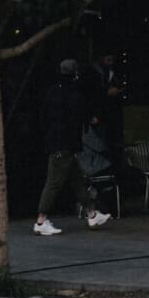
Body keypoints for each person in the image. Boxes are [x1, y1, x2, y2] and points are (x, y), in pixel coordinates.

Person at [35, 59, 112, 235]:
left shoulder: (52, 91)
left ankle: (92, 214)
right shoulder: (73, 94)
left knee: (76, 179)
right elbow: (77, 117)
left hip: (56, 142)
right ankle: (41, 220)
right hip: (65, 144)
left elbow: (44, 116)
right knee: (53, 182)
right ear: (75, 74)